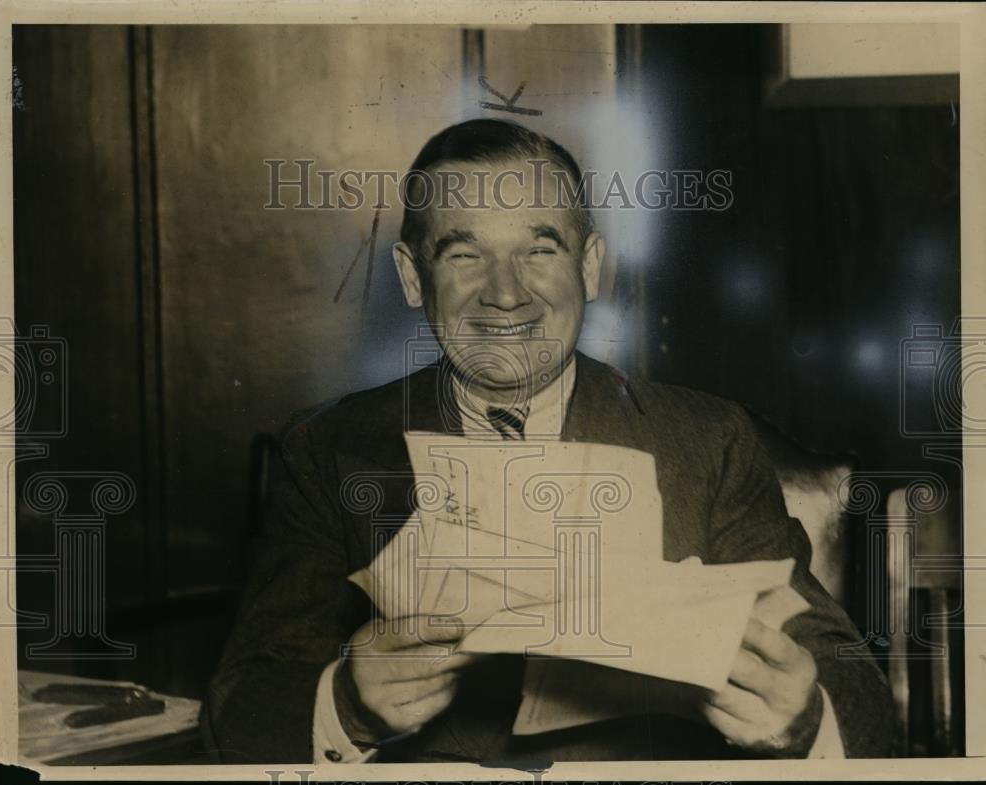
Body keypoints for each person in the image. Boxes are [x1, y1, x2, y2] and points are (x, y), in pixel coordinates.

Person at [203, 118, 894, 763]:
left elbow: (857, 696)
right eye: (464, 253)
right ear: (414, 277)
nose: (506, 293)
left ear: (589, 266)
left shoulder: (707, 442)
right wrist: (346, 705)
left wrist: (805, 718)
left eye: (540, 249)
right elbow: (235, 715)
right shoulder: (328, 451)